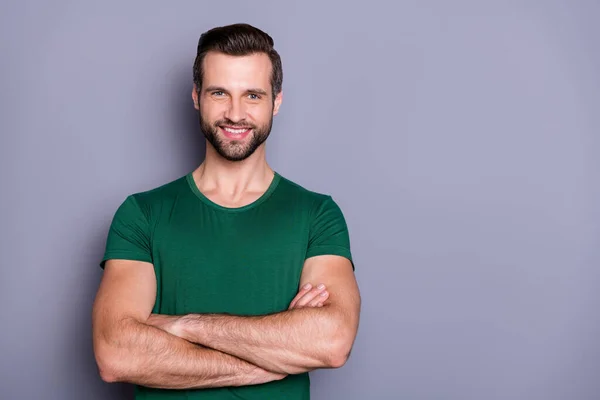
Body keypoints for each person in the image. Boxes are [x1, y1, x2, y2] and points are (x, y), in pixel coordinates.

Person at [92, 23, 361, 400]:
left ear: (276, 102)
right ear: (197, 97)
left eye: (253, 95)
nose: (236, 114)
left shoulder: (317, 214)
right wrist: (274, 357)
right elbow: (116, 353)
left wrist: (185, 325)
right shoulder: (142, 214)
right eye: (220, 93)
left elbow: (332, 341)